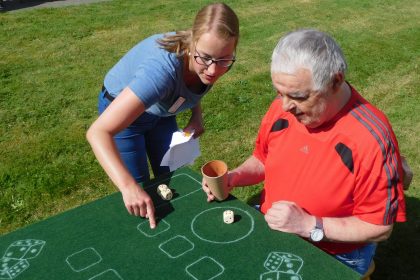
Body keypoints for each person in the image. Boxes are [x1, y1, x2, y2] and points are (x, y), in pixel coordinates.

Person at [202, 29, 407, 275]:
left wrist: (310, 225)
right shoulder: (283, 108)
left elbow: (379, 226)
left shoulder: (370, 139)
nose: (285, 106)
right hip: (275, 227)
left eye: (298, 96)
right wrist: (234, 177)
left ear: (335, 81)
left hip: (335, 252)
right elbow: (262, 159)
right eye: (280, 92)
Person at [87, 3, 239, 229]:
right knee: (140, 193)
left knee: (170, 177)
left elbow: (195, 87)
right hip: (126, 120)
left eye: (224, 60)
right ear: (192, 42)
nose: (213, 71)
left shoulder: (213, 60)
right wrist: (128, 187)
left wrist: (196, 114)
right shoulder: (160, 73)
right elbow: (98, 132)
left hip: (162, 111)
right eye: (205, 58)